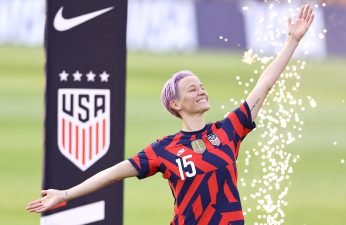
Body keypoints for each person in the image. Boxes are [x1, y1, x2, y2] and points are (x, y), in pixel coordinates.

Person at [27, 5, 314, 224]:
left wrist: (292, 41)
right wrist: (65, 194)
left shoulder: (228, 130)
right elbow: (112, 174)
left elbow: (264, 85)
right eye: (192, 89)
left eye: (202, 86)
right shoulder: (163, 149)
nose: (201, 91)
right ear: (175, 105)